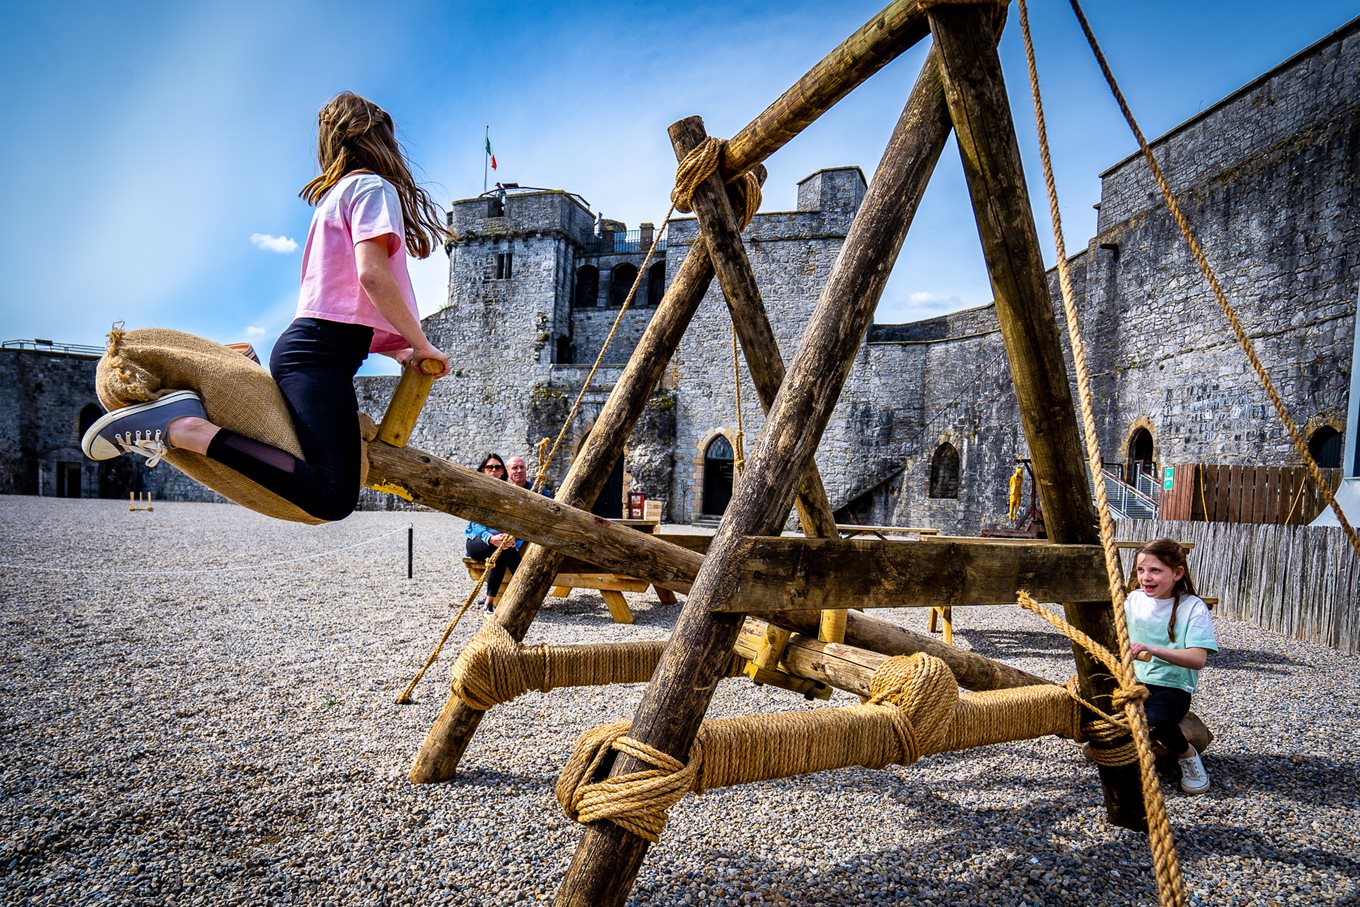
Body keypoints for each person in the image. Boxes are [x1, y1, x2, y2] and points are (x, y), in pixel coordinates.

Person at [81, 92, 450, 521]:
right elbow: (371, 276)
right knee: (333, 497)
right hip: (319, 355)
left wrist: (397, 349)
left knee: (329, 489)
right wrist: (421, 344)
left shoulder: (337, 196)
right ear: (381, 141)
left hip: (317, 349)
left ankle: (217, 399)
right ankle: (188, 429)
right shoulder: (373, 188)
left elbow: (340, 299)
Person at [1126, 538, 1218, 794]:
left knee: (1151, 718)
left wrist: (1152, 649)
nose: (1146, 577)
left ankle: (1187, 754)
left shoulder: (1192, 607)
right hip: (1133, 680)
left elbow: (1197, 659)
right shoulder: (1133, 600)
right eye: (1141, 570)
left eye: (1155, 570)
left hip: (1171, 686)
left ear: (1178, 573)